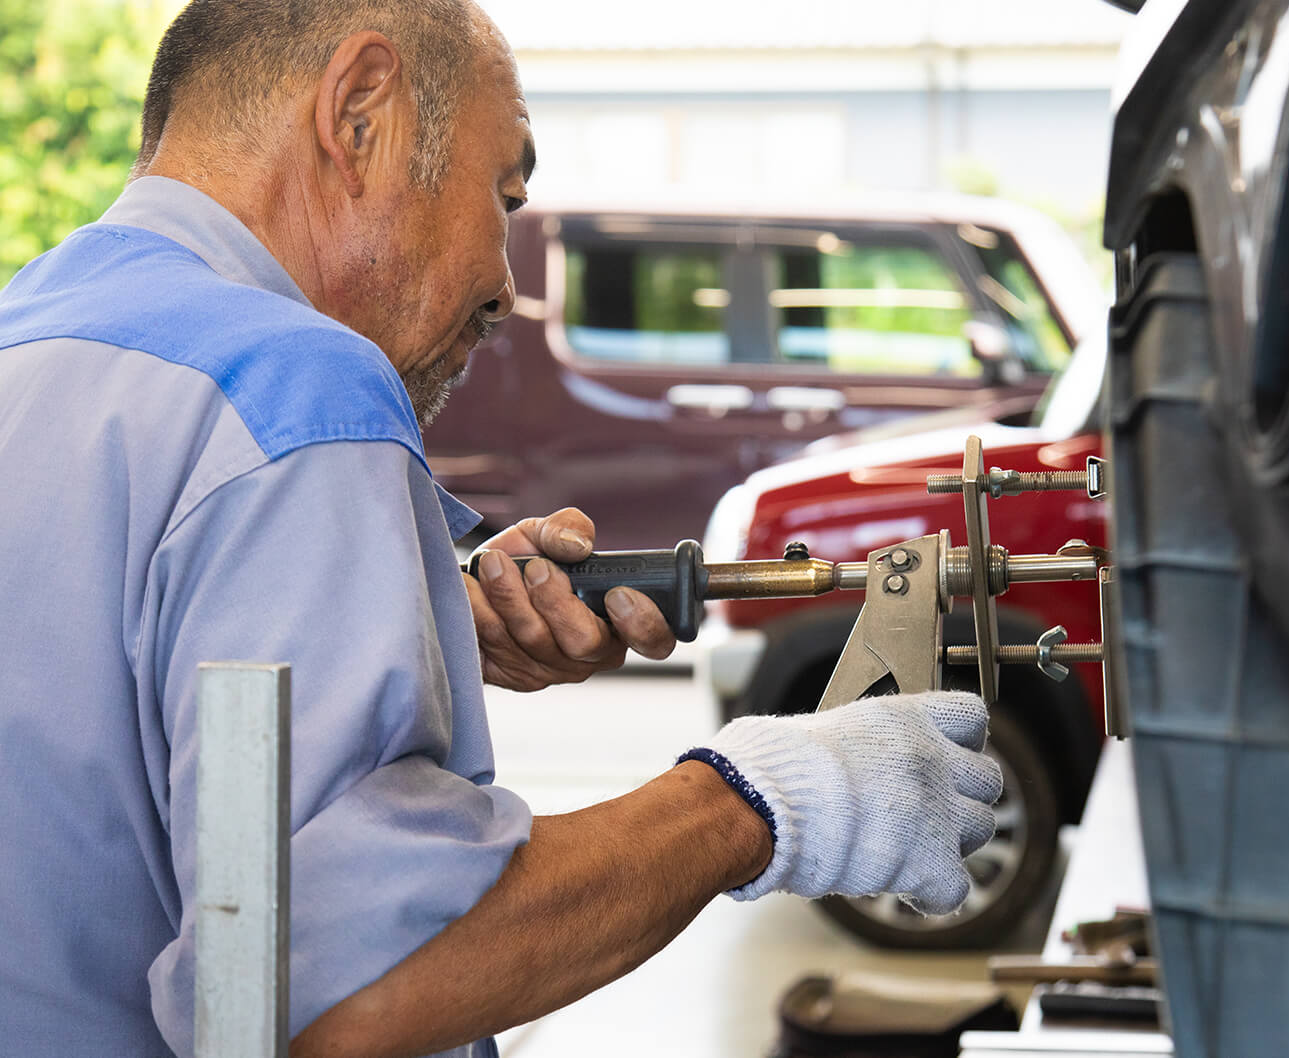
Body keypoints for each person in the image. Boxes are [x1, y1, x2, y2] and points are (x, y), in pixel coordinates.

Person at [0, 2, 1003, 1056]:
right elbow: (343, 991)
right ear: (358, 114)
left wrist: (425, 619)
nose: (506, 281)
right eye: (504, 192)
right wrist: (768, 798)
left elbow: (92, 700)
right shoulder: (299, 383)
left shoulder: (33, 340)